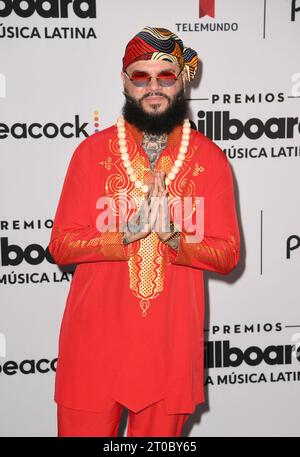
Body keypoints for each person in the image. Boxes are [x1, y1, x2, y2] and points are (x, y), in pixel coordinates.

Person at [48, 26, 240, 437]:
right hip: (92, 352)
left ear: (182, 80)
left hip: (169, 352)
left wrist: (175, 238)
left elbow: (227, 254)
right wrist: (123, 234)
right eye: (140, 76)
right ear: (124, 82)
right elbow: (61, 245)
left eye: (165, 76)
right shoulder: (91, 154)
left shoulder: (209, 160)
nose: (153, 87)